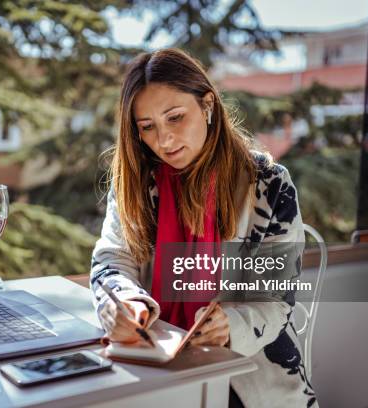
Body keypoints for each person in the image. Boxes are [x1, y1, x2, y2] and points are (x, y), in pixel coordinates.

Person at [89, 48, 317, 408]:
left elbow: (275, 301)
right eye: (147, 127)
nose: (164, 140)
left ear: (207, 105)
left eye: (175, 118)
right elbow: (111, 259)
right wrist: (122, 303)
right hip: (153, 363)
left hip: (249, 374)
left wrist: (232, 325)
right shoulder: (137, 181)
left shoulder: (269, 184)